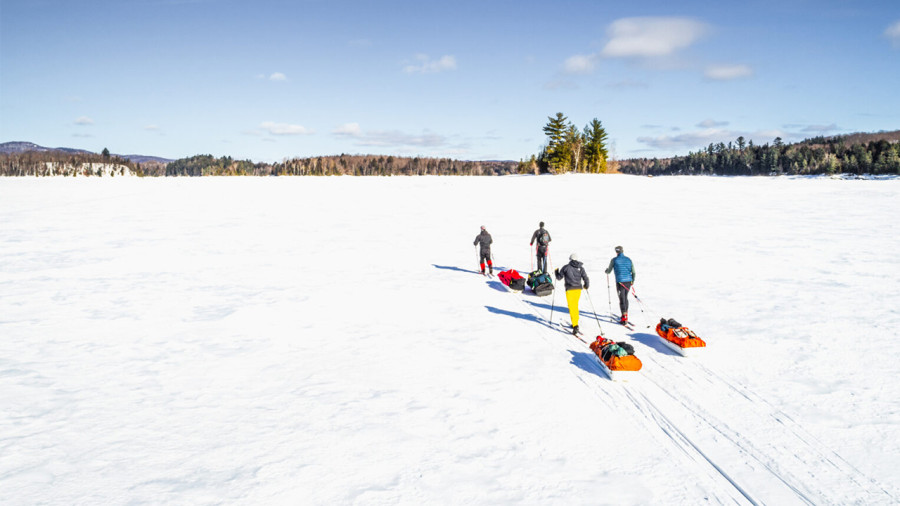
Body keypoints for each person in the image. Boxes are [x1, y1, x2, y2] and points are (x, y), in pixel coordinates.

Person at [555, 253, 589, 335]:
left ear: (570, 259)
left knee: (572, 307)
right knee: (575, 306)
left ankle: (575, 325)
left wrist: (556, 272)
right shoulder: (580, 268)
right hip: (578, 289)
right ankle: (575, 322)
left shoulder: (566, 267)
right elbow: (585, 278)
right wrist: (586, 285)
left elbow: (559, 278)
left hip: (570, 290)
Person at [605, 245, 635, 324]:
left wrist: (606, 271)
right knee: (625, 297)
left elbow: (609, 271)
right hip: (628, 281)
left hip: (620, 282)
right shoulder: (629, 259)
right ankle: (625, 314)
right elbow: (633, 272)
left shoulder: (614, 260)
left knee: (622, 298)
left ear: (616, 252)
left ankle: (624, 317)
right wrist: (632, 281)